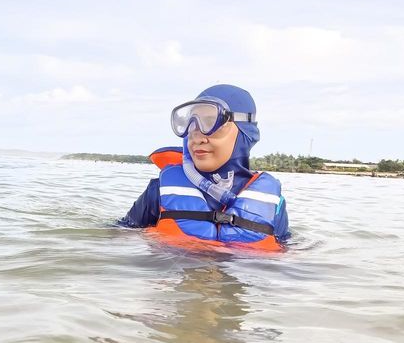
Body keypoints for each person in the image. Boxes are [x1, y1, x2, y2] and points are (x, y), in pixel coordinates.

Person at [117, 84, 289, 250]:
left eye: (211, 123)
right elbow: (118, 238)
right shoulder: (158, 191)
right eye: (191, 125)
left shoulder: (273, 204)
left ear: (245, 131)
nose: (197, 137)